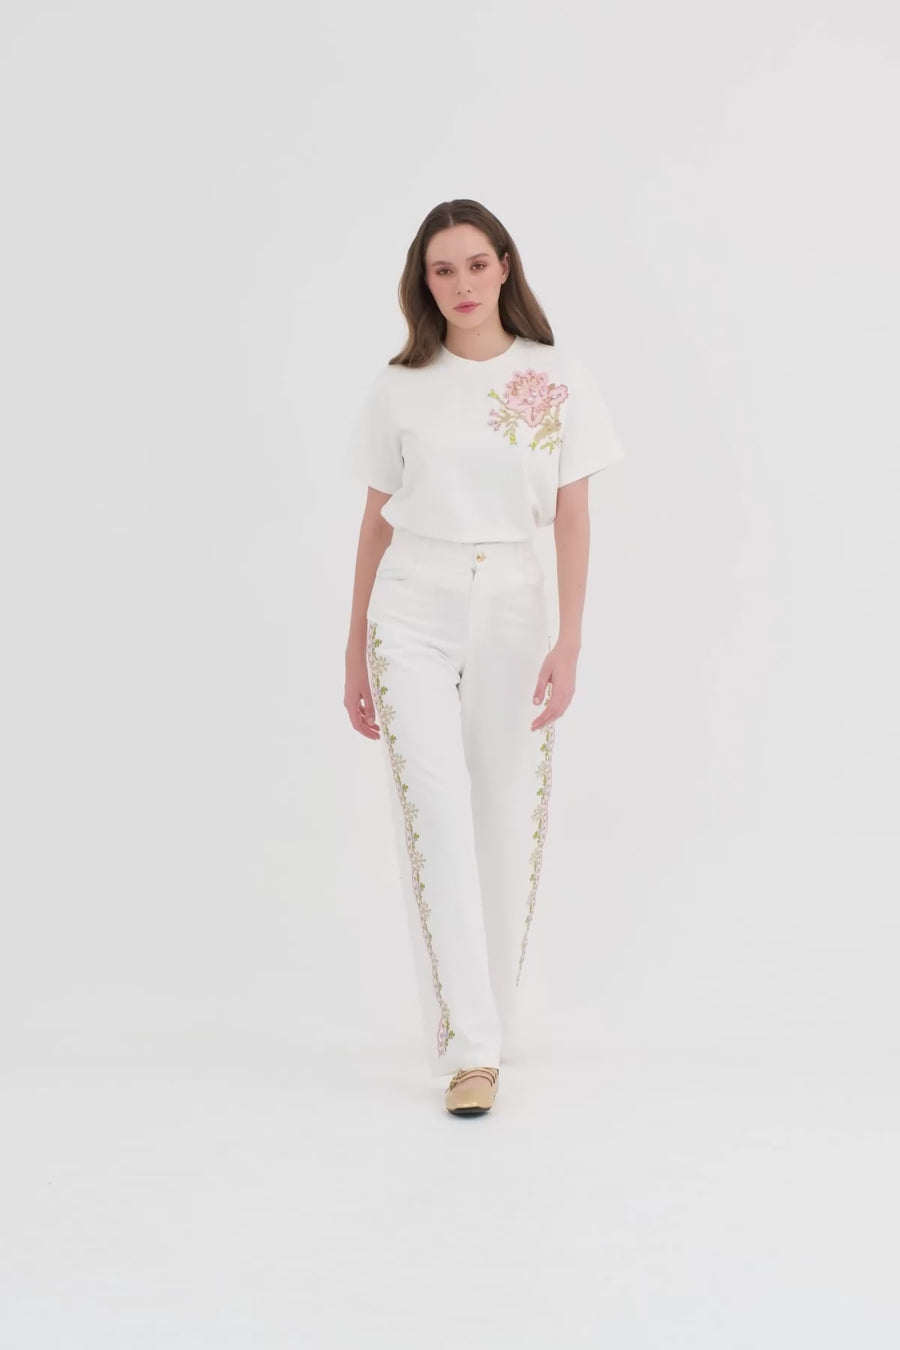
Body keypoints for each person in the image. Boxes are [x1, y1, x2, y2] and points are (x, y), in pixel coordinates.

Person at [342, 199, 626, 1116]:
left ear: (504, 265)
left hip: (512, 600)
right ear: (422, 283)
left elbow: (574, 519)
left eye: (475, 264)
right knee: (433, 812)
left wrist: (569, 641)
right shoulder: (399, 386)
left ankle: (492, 1019)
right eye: (441, 270)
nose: (461, 284)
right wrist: (353, 651)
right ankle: (470, 1048)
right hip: (410, 604)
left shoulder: (558, 376)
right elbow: (373, 523)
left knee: (506, 812)